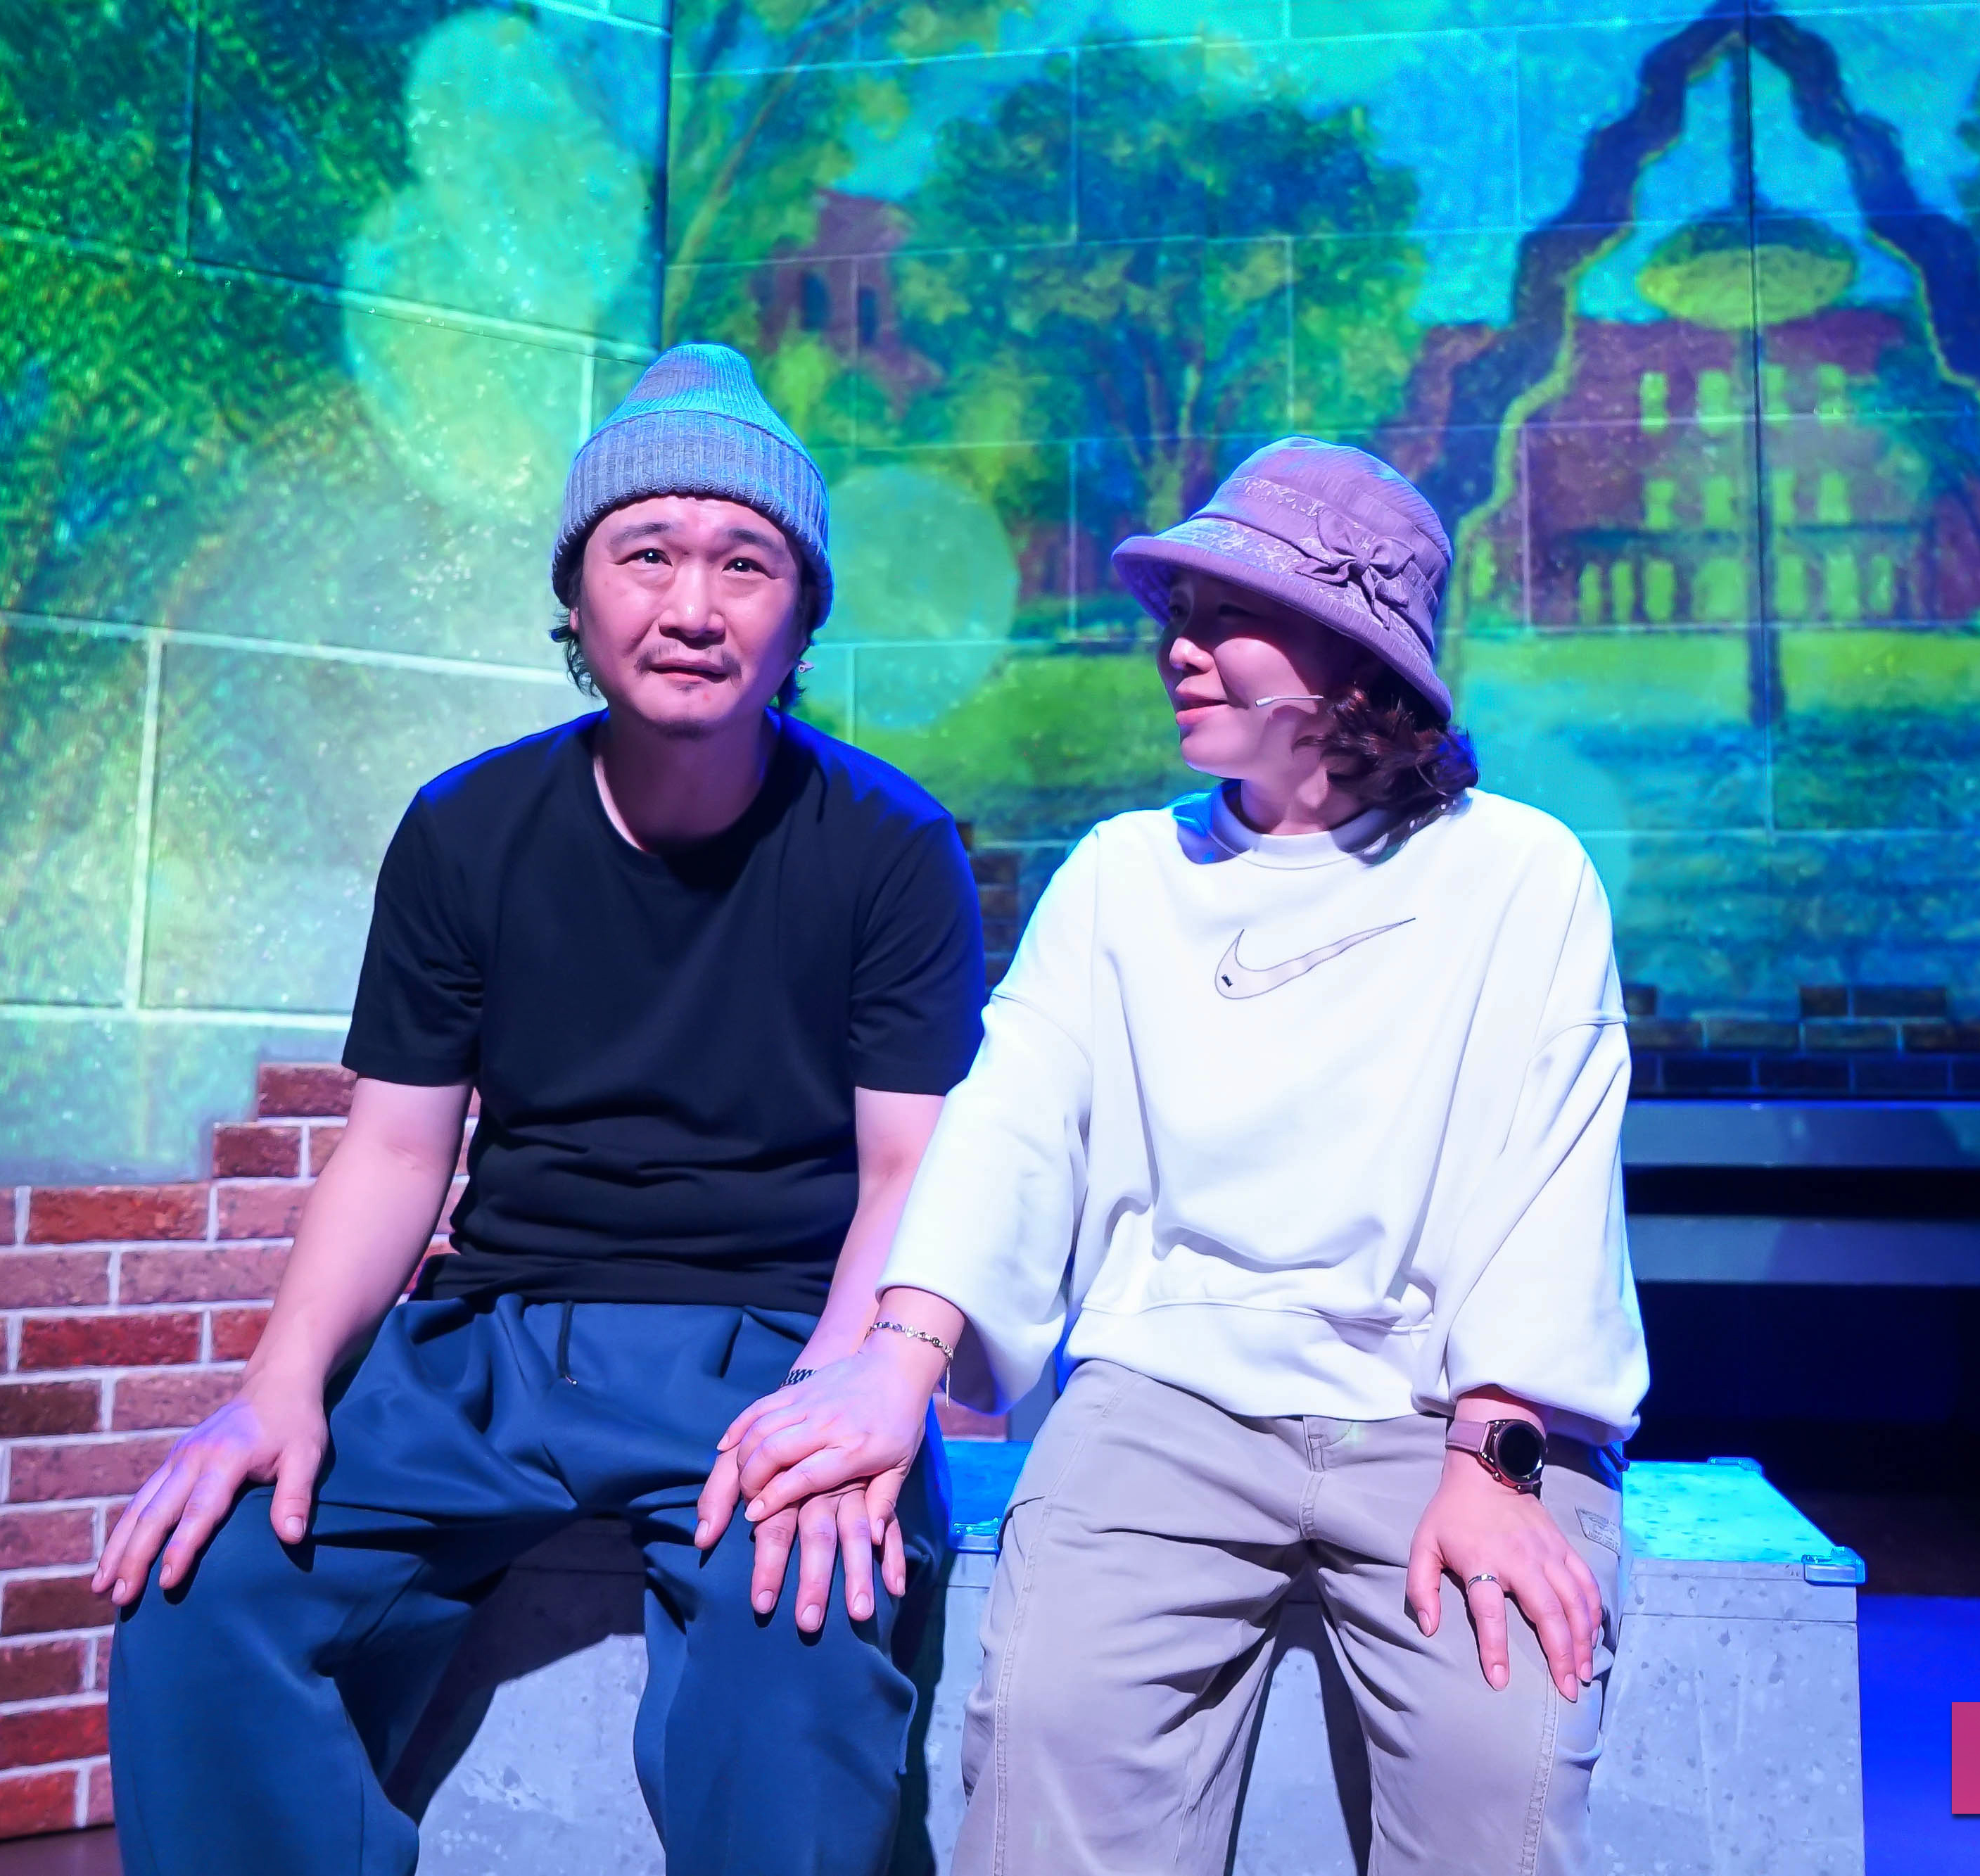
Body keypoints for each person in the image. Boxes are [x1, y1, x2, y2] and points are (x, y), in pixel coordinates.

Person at [99, 343, 987, 1876]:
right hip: (495, 1347)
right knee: (204, 1589)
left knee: (795, 1647)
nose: (692, 604)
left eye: (745, 562)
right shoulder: (467, 827)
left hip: (775, 1343)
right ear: (577, 595)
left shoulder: (889, 844)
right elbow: (397, 1146)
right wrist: (280, 1378)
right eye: (646, 554)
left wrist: (842, 1401)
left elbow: (907, 1169)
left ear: (801, 616)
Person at [706, 438, 1651, 1875]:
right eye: (1178, 615)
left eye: (1230, 616)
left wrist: (1498, 1457)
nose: (1180, 649)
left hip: (1442, 1417)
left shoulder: (1518, 873)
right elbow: (1012, 1125)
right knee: (1047, 1748)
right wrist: (896, 1363)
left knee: (1492, 1781)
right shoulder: (1121, 875)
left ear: (1352, 659)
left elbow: (1547, 1182)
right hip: (1166, 1404)